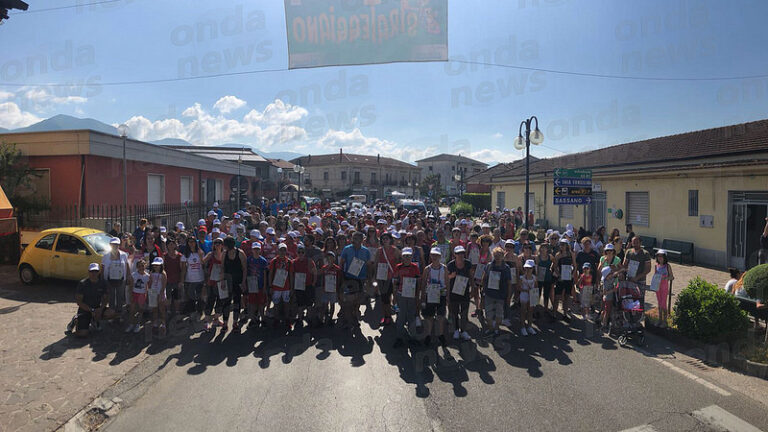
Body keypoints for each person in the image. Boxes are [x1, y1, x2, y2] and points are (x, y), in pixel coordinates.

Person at [339, 231, 371, 328]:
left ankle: (355, 317)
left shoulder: (366, 251)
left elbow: (369, 265)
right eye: (353, 238)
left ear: (362, 240)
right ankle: (347, 320)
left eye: (356, 238)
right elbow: (342, 262)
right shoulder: (347, 249)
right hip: (349, 277)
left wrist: (369, 278)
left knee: (357, 300)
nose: (354, 240)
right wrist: (342, 276)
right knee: (348, 301)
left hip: (361, 278)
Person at [392, 247, 422, 348]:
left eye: (409, 256)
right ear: (402, 256)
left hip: (412, 295)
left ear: (411, 256)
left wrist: (418, 296)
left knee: (411, 316)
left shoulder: (415, 267)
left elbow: (418, 282)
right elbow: (395, 283)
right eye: (405, 256)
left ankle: (412, 337)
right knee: (401, 316)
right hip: (401, 294)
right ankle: (399, 337)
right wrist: (394, 296)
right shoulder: (398, 267)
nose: (407, 258)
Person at [69, 263, 108, 337]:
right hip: (85, 309)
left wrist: (101, 308)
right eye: (92, 271)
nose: (94, 273)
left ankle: (94, 321)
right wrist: (91, 310)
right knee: (82, 334)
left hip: (97, 308)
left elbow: (106, 298)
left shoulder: (102, 283)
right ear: (88, 272)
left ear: (99, 272)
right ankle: (76, 320)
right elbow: (79, 302)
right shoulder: (83, 283)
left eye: (96, 271)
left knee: (112, 313)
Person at [421, 247, 449, 347]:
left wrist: (448, 296)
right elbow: (423, 283)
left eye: (437, 255)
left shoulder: (444, 268)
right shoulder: (427, 269)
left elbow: (447, 282)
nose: (435, 257)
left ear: (440, 256)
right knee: (429, 316)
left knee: (441, 317)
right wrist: (423, 297)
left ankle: (441, 335)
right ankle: (428, 335)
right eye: (433, 255)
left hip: (441, 295)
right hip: (430, 295)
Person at [482, 247, 512, 337]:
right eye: (495, 255)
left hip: (501, 295)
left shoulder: (506, 268)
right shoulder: (488, 266)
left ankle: (496, 329)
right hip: (489, 294)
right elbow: (484, 278)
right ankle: (491, 328)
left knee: (499, 313)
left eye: (499, 255)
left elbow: (509, 283)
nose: (497, 257)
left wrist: (509, 296)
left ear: (503, 256)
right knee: (488, 313)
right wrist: (483, 289)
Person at [101, 237, 131, 319]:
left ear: (119, 245)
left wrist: (128, 276)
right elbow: (103, 268)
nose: (115, 246)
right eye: (113, 245)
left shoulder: (124, 255)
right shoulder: (105, 256)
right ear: (110, 245)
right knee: (111, 297)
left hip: (121, 280)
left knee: (120, 296)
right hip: (109, 280)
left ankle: (119, 313)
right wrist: (102, 279)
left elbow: (127, 266)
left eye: (117, 245)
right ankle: (111, 314)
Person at [222, 236, 248, 332]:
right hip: (227, 281)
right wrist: (222, 281)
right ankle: (225, 323)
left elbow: (244, 268)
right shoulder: (224, 254)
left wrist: (243, 282)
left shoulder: (240, 253)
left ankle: (235, 322)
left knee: (237, 301)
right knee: (226, 303)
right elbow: (222, 268)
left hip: (238, 280)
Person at [447, 246, 472, 341]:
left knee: (464, 312)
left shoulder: (468, 263)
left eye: (462, 253)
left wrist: (473, 288)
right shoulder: (450, 265)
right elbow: (446, 278)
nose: (460, 255)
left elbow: (470, 275)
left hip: (465, 291)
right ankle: (456, 330)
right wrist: (451, 276)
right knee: (454, 312)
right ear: (454, 254)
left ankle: (464, 331)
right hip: (453, 292)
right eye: (458, 253)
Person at [375, 232, 400, 326]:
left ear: (390, 240)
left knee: (392, 298)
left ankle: (389, 316)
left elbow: (398, 263)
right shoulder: (379, 250)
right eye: (383, 239)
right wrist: (375, 278)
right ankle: (386, 316)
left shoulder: (395, 250)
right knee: (384, 298)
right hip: (382, 277)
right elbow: (376, 264)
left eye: (387, 238)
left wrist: (397, 276)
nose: (385, 240)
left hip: (392, 277)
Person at [203, 237, 226, 332]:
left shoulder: (225, 254)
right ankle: (207, 321)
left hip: (222, 281)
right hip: (211, 281)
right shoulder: (210, 254)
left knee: (220, 301)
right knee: (210, 300)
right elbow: (202, 262)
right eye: (216, 243)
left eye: (220, 243)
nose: (217, 244)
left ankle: (216, 319)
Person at [181, 236, 206, 322]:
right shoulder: (185, 254)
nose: (191, 243)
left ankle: (199, 312)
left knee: (199, 297)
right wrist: (182, 280)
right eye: (189, 242)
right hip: (189, 279)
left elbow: (204, 264)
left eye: (193, 241)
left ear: (196, 243)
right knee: (191, 297)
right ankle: (192, 312)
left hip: (200, 278)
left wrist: (200, 256)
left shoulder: (200, 252)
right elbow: (183, 268)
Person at [269, 243, 293, 329]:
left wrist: (291, 287)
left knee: (286, 304)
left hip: (286, 287)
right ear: (278, 251)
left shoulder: (289, 262)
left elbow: (291, 275)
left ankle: (287, 319)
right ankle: (276, 319)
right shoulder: (274, 261)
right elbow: (270, 274)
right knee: (276, 304)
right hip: (276, 287)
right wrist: (270, 286)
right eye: (281, 250)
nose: (282, 252)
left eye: (284, 250)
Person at [292, 243, 317, 328]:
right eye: (299, 252)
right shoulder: (294, 262)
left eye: (302, 252)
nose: (301, 254)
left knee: (309, 304)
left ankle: (309, 319)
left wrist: (313, 283)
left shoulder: (310, 261)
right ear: (297, 253)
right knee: (300, 304)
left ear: (305, 253)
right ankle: (300, 319)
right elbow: (291, 275)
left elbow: (315, 272)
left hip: (308, 285)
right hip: (298, 286)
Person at [552, 238, 576, 322]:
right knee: (557, 296)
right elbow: (555, 267)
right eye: (561, 245)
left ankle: (565, 314)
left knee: (567, 296)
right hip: (560, 279)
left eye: (564, 244)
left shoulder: (571, 254)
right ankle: (554, 314)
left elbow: (575, 266)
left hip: (569, 278)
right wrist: (559, 275)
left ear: (567, 245)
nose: (562, 246)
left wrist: (572, 275)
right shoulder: (558, 255)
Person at [246, 242, 269, 327]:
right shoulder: (248, 260)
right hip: (251, 284)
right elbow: (246, 272)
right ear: (252, 250)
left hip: (260, 284)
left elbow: (264, 274)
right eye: (254, 249)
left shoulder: (263, 260)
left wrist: (264, 286)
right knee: (252, 303)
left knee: (261, 303)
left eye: (257, 249)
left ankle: (262, 318)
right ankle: (253, 318)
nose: (256, 251)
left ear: (260, 250)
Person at [126, 259, 149, 333]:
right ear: (137, 267)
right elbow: (131, 286)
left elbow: (147, 287)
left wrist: (146, 296)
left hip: (142, 295)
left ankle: (138, 324)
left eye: (142, 266)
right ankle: (131, 324)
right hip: (134, 293)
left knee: (140, 310)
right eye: (139, 266)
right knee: (132, 310)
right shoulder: (134, 275)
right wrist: (131, 295)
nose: (141, 267)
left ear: (145, 266)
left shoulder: (147, 276)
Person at [319, 251, 342, 326]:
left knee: (332, 305)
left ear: (334, 259)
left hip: (333, 290)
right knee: (324, 304)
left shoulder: (337, 268)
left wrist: (338, 289)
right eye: (328, 257)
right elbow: (322, 277)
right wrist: (322, 287)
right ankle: (322, 319)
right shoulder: (324, 268)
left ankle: (330, 318)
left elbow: (339, 279)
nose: (330, 259)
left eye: (331, 257)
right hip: (325, 289)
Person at [652, 250, 675, 326]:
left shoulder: (667, 266)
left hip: (664, 286)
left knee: (663, 303)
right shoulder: (656, 266)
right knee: (659, 303)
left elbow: (671, 276)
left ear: (664, 257)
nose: (660, 258)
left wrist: (665, 278)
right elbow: (655, 276)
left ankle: (665, 321)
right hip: (657, 286)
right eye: (658, 256)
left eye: (661, 256)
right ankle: (660, 319)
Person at [147, 257, 167, 336]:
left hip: (160, 292)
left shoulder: (163, 274)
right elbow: (150, 283)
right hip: (153, 292)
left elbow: (164, 285)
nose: (156, 267)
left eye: (158, 265)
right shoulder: (151, 273)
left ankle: (163, 323)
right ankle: (155, 323)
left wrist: (160, 294)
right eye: (155, 265)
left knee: (161, 309)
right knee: (154, 309)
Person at [163, 239, 183, 314]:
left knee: (177, 297)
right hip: (167, 280)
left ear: (175, 245)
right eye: (169, 244)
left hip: (177, 279)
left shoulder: (180, 256)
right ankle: (168, 310)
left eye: (172, 244)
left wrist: (181, 281)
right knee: (168, 296)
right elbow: (163, 268)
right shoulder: (164, 256)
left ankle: (177, 311)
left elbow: (182, 269)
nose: (171, 246)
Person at [519, 259, 538, 336]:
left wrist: (533, 293)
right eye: (526, 268)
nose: (528, 270)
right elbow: (519, 288)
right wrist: (527, 290)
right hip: (524, 295)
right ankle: (523, 327)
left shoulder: (534, 278)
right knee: (523, 311)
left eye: (530, 268)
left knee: (530, 311)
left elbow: (536, 287)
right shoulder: (521, 278)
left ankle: (529, 326)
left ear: (533, 268)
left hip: (531, 296)